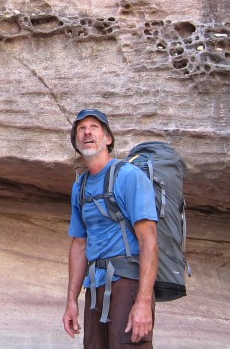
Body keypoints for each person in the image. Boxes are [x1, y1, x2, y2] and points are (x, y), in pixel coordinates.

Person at [62, 109, 159, 348]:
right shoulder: (80, 187)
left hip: (127, 283)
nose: (87, 132)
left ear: (108, 139)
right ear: (76, 141)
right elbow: (79, 245)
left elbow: (149, 241)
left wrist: (144, 301)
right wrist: (72, 301)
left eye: (94, 127)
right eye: (81, 129)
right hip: (95, 287)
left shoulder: (129, 177)